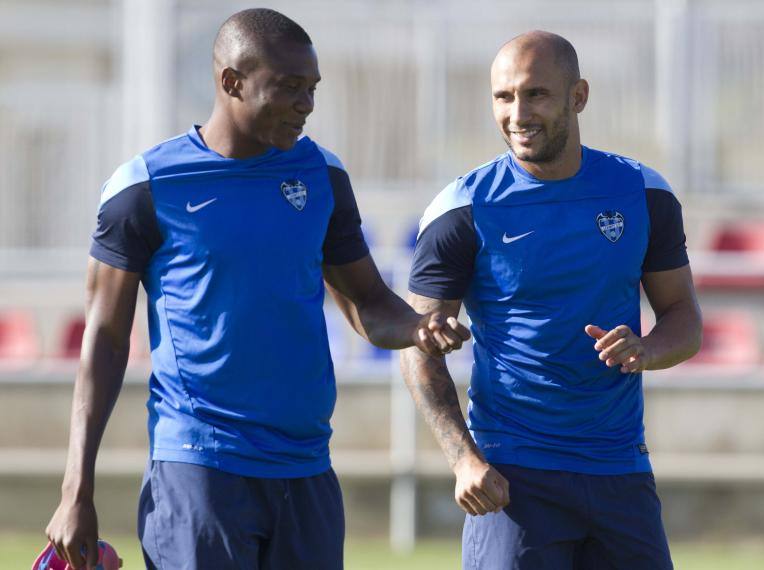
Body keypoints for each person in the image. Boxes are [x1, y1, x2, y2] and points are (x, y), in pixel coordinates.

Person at [44, 8, 470, 570]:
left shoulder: (322, 175)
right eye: (289, 87)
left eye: (312, 89)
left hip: (307, 468)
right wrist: (77, 488)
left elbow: (368, 301)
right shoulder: (145, 188)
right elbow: (102, 338)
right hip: (199, 468)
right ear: (231, 82)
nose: (306, 104)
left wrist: (417, 328)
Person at [400, 30, 702, 569]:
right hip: (513, 477)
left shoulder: (642, 193)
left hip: (620, 471)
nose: (518, 113)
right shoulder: (461, 210)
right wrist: (463, 459)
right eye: (503, 96)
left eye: (535, 94)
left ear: (578, 96)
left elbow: (683, 317)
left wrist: (648, 351)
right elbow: (416, 345)